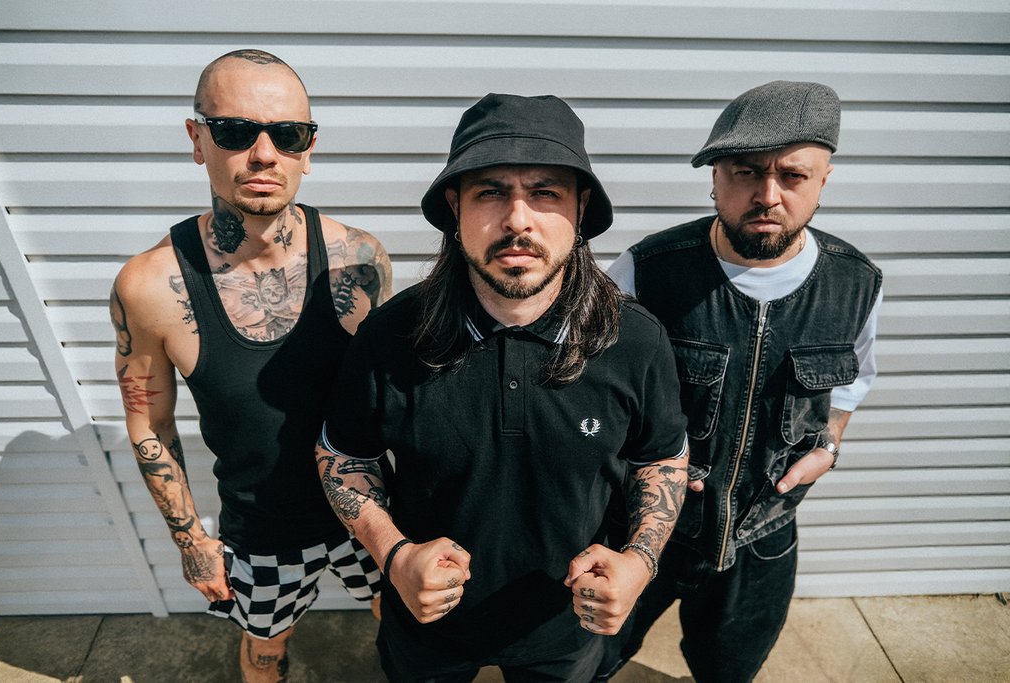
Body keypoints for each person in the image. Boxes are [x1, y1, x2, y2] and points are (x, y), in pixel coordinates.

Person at [314, 93, 690, 681]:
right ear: (454, 207)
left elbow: (661, 457)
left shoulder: (634, 339)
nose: (518, 220)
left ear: (581, 208)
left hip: (568, 625)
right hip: (428, 624)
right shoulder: (391, 336)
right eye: (490, 192)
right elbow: (343, 455)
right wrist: (394, 555)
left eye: (546, 193)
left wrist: (640, 562)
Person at [110, 49, 392, 682]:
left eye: (288, 134)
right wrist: (192, 541)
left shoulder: (360, 260)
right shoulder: (149, 286)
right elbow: (150, 423)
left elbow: (395, 397)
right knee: (265, 650)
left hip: (369, 510)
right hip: (262, 531)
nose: (265, 154)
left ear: (308, 149)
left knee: (401, 622)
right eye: (236, 131)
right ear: (197, 139)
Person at [599, 80, 884, 682]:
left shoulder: (856, 284)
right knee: (592, 659)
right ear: (715, 177)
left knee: (729, 670)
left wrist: (829, 446)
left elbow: (851, 383)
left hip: (765, 535)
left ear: (824, 181)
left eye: (793, 176)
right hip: (641, 527)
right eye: (747, 172)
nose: (768, 195)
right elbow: (590, 394)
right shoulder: (646, 271)